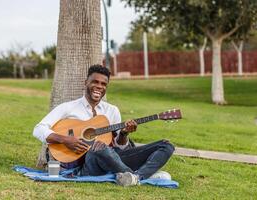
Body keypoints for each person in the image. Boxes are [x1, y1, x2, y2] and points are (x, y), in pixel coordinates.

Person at [33, 64, 175, 186]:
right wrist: (66, 140)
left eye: (103, 84)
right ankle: (142, 176)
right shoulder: (68, 107)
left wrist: (124, 134)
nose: (99, 86)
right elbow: (38, 129)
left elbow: (119, 147)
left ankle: (136, 177)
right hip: (86, 165)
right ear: (86, 82)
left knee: (166, 145)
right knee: (99, 148)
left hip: (113, 159)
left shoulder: (112, 110)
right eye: (95, 82)